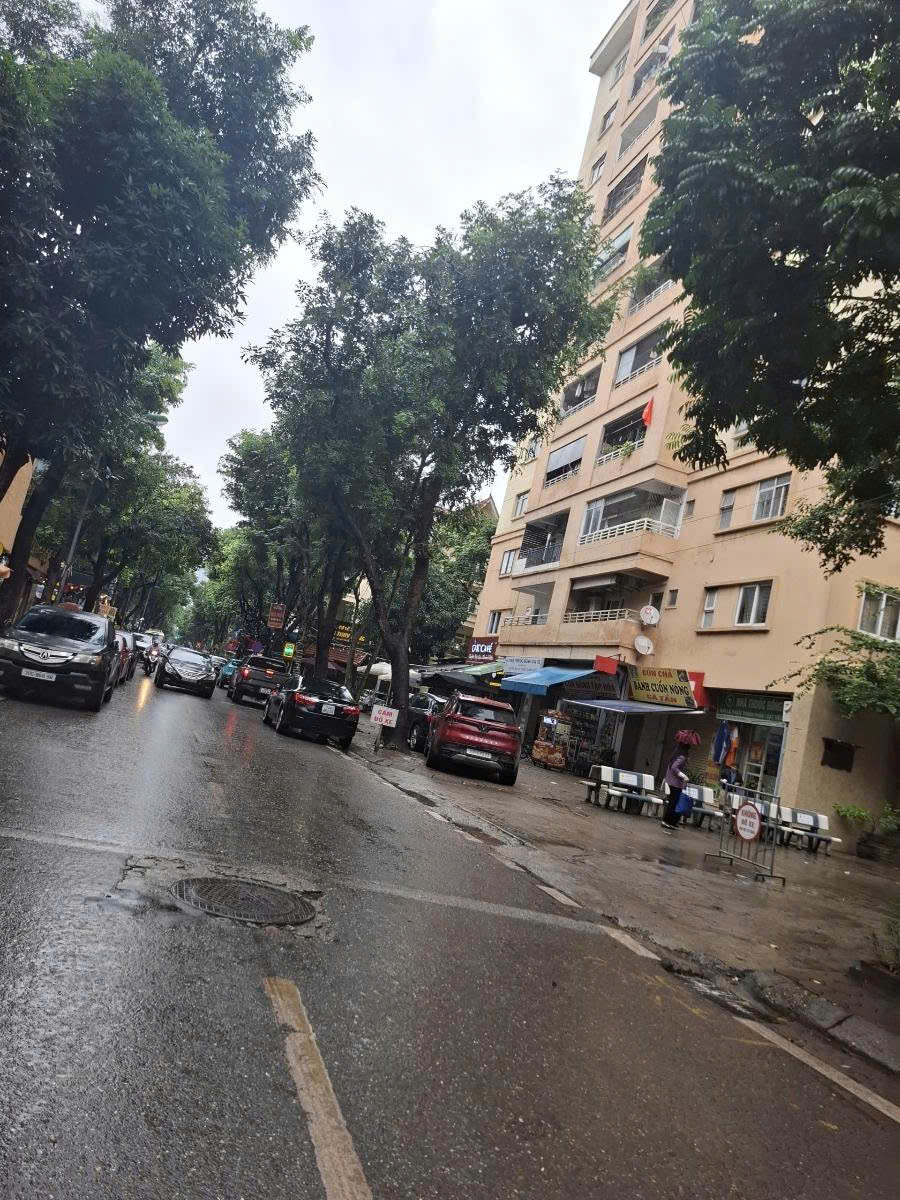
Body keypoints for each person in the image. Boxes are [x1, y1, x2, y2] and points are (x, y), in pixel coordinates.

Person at [661, 744, 691, 832]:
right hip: (676, 784)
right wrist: (683, 776)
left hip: (671, 782)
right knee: (673, 803)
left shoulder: (675, 755)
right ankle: (666, 821)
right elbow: (674, 767)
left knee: (673, 803)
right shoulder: (682, 757)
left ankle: (671, 822)